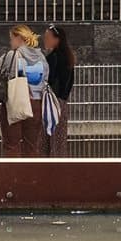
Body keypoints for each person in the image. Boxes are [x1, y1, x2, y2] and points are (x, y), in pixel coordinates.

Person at [0, 24, 49, 157]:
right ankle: (31, 176)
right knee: (31, 146)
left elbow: (3, 73)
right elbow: (46, 78)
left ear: (19, 38)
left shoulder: (13, 54)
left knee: (11, 144)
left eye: (11, 38)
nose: (10, 42)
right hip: (36, 104)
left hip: (16, 102)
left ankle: (12, 176)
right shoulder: (41, 57)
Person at [40, 25, 75, 157]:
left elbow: (49, 79)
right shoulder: (68, 57)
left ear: (57, 39)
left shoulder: (53, 58)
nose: (45, 40)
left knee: (45, 140)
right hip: (61, 103)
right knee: (59, 141)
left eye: (48, 37)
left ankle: (47, 169)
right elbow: (70, 81)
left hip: (50, 102)